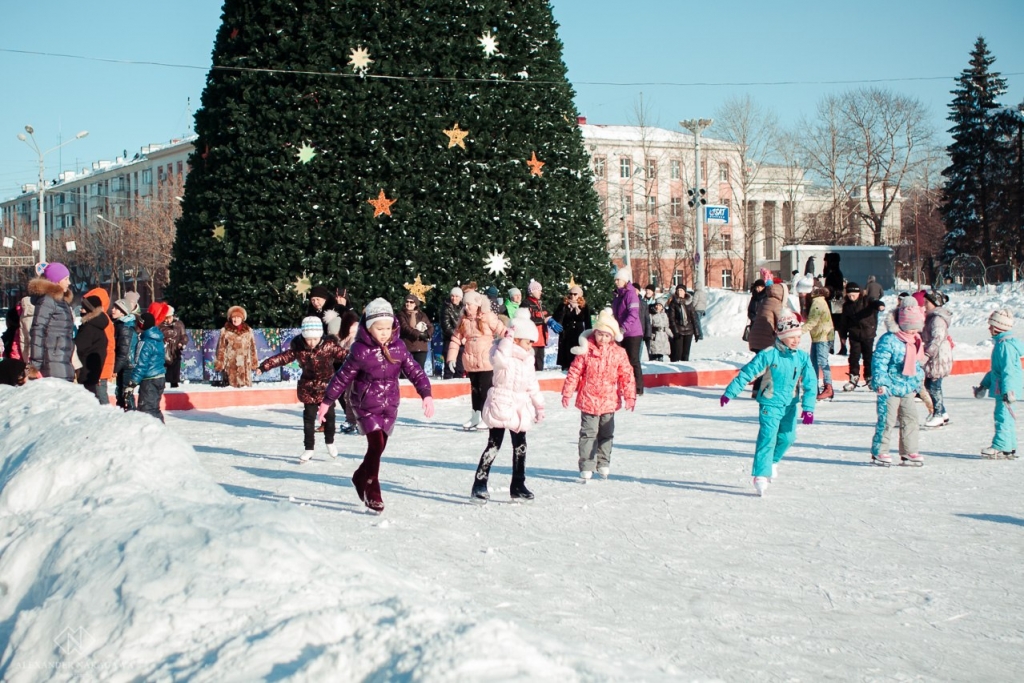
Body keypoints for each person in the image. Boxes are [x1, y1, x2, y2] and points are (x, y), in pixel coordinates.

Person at [318, 298, 434, 512]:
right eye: (379, 328)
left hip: (389, 404)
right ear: (368, 328)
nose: (384, 332)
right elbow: (342, 377)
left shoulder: (398, 348)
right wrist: (327, 401)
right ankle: (372, 489)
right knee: (375, 446)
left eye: (387, 328)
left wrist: (426, 394)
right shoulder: (360, 351)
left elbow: (415, 371)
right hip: (365, 404)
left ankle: (359, 476)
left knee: (379, 448)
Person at [720, 315, 816, 496]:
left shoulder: (802, 358)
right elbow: (747, 373)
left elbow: (811, 382)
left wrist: (809, 407)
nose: (796, 340)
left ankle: (772, 462)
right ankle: (760, 475)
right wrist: (730, 392)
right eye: (792, 336)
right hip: (769, 403)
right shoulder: (768, 354)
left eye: (798, 337)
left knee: (789, 437)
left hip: (790, 404)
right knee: (768, 438)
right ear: (781, 336)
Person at [471, 309, 546, 502]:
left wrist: (540, 406)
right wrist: (508, 338)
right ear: (517, 338)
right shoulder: (501, 353)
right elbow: (499, 358)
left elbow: (532, 385)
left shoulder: (528, 360)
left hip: (520, 407)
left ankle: (518, 485)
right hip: (501, 403)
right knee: (494, 445)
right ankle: (480, 483)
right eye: (528, 341)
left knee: (520, 446)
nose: (530, 346)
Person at [258, 316, 348, 463]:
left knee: (330, 418)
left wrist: (362, 362)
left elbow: (346, 355)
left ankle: (330, 442)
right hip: (308, 388)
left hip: (327, 387)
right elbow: (282, 358)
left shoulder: (329, 345)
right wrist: (264, 366)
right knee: (308, 420)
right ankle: (309, 449)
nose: (311, 342)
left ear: (320, 336)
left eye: (315, 339)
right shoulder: (299, 348)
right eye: (308, 339)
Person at [560, 309, 637, 481]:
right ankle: (587, 465)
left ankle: (603, 462)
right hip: (588, 400)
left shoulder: (619, 353)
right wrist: (567, 392)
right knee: (588, 433)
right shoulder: (586, 350)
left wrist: (630, 396)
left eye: (607, 335)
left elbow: (627, 375)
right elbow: (574, 372)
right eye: (600, 334)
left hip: (609, 401)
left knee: (606, 434)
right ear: (595, 333)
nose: (602, 338)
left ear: (612, 337)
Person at [869, 299, 926, 467]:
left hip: (907, 387)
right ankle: (880, 451)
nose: (914, 330)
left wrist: (917, 383)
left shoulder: (915, 340)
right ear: (902, 324)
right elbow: (879, 362)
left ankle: (909, 451)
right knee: (887, 420)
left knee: (911, 419)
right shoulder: (889, 340)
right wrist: (881, 383)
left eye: (916, 326)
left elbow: (916, 364)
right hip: (889, 388)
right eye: (910, 326)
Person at [447, 290, 506, 430]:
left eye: (469, 304)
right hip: (471, 361)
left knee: (485, 390)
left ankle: (487, 418)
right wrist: (451, 358)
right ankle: (475, 417)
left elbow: (503, 331)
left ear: (478, 304)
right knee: (474, 390)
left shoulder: (488, 317)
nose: (466, 307)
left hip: (486, 361)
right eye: (465, 304)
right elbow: (456, 339)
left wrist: (508, 347)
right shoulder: (463, 320)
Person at [973, 309, 1023, 459]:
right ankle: (1010, 446)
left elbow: (1008, 371)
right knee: (1006, 417)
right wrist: (984, 385)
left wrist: (1009, 391)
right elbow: (996, 371)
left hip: (1006, 389)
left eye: (991, 325)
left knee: (1002, 417)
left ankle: (1001, 446)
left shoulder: (1005, 346)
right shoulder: (1002, 344)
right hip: (1004, 388)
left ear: (998, 327)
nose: (989, 328)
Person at [27, 262, 75, 381]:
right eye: (66, 279)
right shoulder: (47, 300)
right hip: (51, 361)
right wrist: (35, 365)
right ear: (56, 280)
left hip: (62, 358)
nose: (69, 283)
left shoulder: (61, 301)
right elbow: (38, 331)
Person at [840, 283, 884, 391]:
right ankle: (853, 378)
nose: (851, 297)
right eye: (849, 295)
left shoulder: (867, 301)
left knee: (868, 356)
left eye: (853, 295)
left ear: (858, 293)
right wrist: (843, 335)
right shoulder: (847, 306)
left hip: (868, 333)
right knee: (854, 357)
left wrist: (880, 305)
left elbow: (875, 302)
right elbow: (844, 322)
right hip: (854, 334)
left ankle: (869, 378)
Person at [747, 282, 788, 396]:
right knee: (768, 364)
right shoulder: (776, 304)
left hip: (755, 336)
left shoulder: (766, 300)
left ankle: (756, 389)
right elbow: (782, 321)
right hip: (765, 339)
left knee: (762, 363)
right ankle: (763, 390)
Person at [920, 290, 953, 428]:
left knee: (933, 385)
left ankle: (938, 414)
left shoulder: (937, 319)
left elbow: (937, 338)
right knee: (930, 384)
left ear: (935, 303)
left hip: (938, 356)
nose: (924, 305)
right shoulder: (932, 317)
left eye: (927, 302)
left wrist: (927, 354)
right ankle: (943, 413)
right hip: (936, 355)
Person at [611, 266, 644, 396]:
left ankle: (638, 388)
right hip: (620, 333)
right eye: (615, 280)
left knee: (633, 360)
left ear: (625, 280)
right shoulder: (618, 295)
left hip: (633, 333)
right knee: (621, 361)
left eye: (618, 280)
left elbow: (633, 313)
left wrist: (623, 327)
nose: (616, 282)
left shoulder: (631, 294)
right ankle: (624, 386)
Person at [74, 293, 111, 404]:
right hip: (94, 370)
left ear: (89, 309)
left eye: (83, 308)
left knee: (88, 400)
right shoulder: (98, 325)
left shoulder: (89, 327)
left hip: (86, 371)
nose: (81, 310)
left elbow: (79, 347)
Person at [132, 312, 167, 423]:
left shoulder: (145, 342)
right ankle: (161, 433)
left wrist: (133, 382)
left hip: (149, 380)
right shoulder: (158, 339)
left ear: (142, 325)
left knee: (147, 410)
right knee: (154, 409)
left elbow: (141, 364)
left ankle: (156, 436)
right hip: (159, 377)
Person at [803, 287, 836, 401]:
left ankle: (828, 387)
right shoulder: (816, 301)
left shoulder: (817, 302)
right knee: (813, 363)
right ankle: (813, 389)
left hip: (823, 336)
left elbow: (813, 321)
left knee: (822, 361)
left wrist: (797, 332)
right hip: (818, 336)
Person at [214, 305, 258, 388]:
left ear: (242, 318)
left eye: (238, 317)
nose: (236, 319)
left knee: (245, 392)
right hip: (231, 366)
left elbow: (253, 348)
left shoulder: (249, 331)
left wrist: (254, 363)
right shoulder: (225, 331)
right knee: (230, 391)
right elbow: (221, 348)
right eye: (234, 317)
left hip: (245, 367)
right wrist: (220, 364)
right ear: (230, 318)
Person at [553, 285, 591, 372]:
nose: (572, 296)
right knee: (566, 354)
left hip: (578, 333)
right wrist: (563, 309)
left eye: (575, 294)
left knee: (577, 354)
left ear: (579, 295)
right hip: (566, 333)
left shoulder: (584, 306)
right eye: (571, 294)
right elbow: (557, 318)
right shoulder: (564, 305)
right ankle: (565, 368)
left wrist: (589, 335)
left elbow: (588, 322)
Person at [111, 297, 139, 410]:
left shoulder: (125, 328)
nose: (113, 310)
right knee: (122, 393)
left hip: (127, 365)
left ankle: (131, 416)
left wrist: (115, 370)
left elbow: (123, 352)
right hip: (125, 364)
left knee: (126, 393)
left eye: (116, 308)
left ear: (123, 312)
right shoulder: (121, 325)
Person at [397, 294, 434, 370]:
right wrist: (419, 334)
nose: (408, 304)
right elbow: (405, 328)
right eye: (407, 302)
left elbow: (430, 327)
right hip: (407, 347)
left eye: (411, 302)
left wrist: (427, 334)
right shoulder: (401, 315)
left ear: (416, 304)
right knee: (406, 373)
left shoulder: (422, 315)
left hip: (421, 348)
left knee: (419, 372)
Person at [158, 305, 189, 388]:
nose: (167, 320)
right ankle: (162, 384)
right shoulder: (159, 325)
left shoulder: (179, 324)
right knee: (162, 369)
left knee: (175, 369)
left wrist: (182, 343)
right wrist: (163, 341)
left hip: (175, 350)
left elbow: (184, 336)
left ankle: (174, 384)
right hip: (163, 350)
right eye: (165, 318)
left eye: (169, 317)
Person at [667, 286, 701, 362]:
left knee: (685, 354)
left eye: (681, 290)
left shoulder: (689, 302)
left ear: (685, 292)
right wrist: (675, 331)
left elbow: (693, 318)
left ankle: (684, 370)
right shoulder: (674, 303)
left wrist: (696, 332)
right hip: (679, 330)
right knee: (678, 354)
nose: (680, 292)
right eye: (678, 290)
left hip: (689, 330)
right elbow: (671, 319)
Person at [823, 253, 846, 354]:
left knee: (834, 325)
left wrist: (828, 291)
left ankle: (834, 347)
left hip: (834, 302)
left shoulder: (834, 273)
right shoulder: (835, 273)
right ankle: (837, 346)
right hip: (836, 302)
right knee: (836, 326)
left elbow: (837, 288)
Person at [525, 279, 549, 371]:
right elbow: (528, 319)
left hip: (541, 339)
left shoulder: (540, 304)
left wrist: (551, 320)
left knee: (540, 363)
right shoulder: (526, 303)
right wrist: (543, 320)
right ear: (532, 291)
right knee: (531, 363)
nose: (540, 292)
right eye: (538, 290)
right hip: (532, 340)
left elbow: (548, 315)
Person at [441, 287, 464, 379]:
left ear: (461, 297)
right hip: (450, 340)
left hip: (462, 341)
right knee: (449, 367)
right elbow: (446, 326)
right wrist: (458, 336)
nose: (454, 298)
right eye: (452, 296)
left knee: (460, 368)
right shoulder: (446, 308)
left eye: (457, 296)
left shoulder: (464, 308)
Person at [635, 282, 653, 358]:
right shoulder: (626, 301)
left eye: (635, 289)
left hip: (642, 331)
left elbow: (647, 320)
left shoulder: (643, 303)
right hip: (631, 332)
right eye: (647, 290)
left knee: (639, 355)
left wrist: (648, 334)